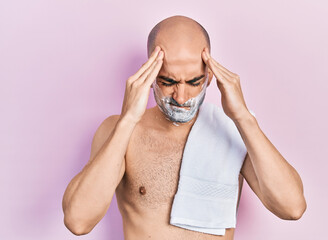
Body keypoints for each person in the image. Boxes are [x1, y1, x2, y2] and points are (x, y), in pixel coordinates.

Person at [62, 15, 307, 239]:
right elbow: (78, 221)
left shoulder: (232, 130)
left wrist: (242, 117)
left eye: (194, 81)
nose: (181, 97)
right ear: (149, 75)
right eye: (168, 81)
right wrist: (128, 119)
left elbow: (292, 207)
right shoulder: (119, 130)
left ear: (210, 76)